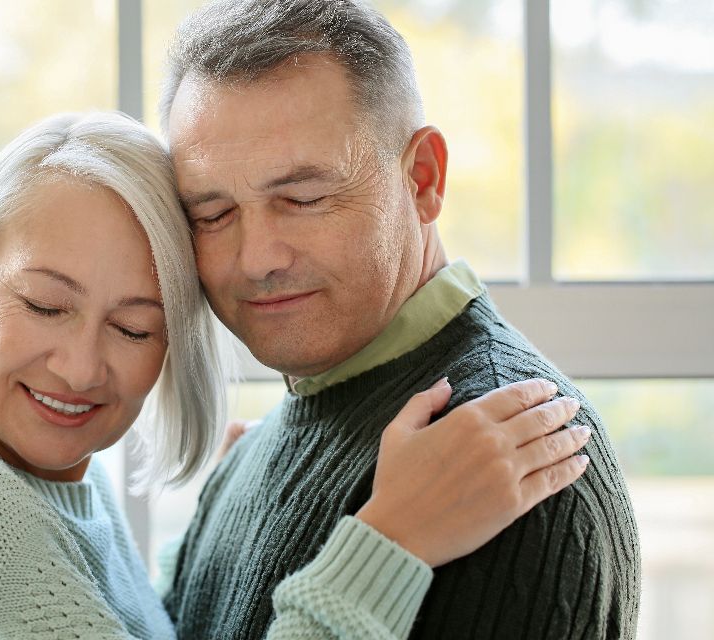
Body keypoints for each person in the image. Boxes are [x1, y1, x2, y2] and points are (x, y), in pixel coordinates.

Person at [0, 112, 589, 639]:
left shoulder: (59, 493)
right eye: (45, 305)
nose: (82, 367)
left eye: (133, 327)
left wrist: (216, 525)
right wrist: (394, 541)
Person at [159, 1, 641, 639]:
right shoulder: (257, 451)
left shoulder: (511, 465)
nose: (256, 259)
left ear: (422, 179)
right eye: (213, 214)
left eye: (303, 198)